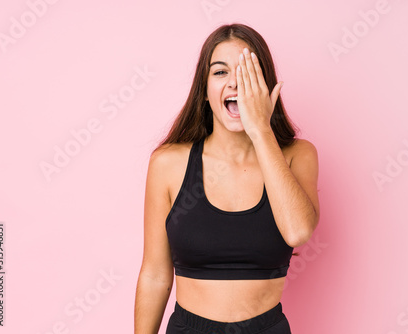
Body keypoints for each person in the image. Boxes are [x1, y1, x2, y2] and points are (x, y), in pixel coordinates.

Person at [134, 23, 320, 334]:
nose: (236, 83)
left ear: (266, 87)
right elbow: (154, 273)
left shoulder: (297, 155)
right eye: (220, 72)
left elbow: (298, 232)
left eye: (249, 73)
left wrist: (260, 129)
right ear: (204, 92)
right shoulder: (168, 163)